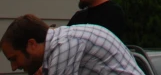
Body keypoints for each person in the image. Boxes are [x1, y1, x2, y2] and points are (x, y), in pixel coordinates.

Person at [0, 15, 142, 75]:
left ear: (31, 44)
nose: (14, 67)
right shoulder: (61, 42)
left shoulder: (64, 45)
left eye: (14, 58)